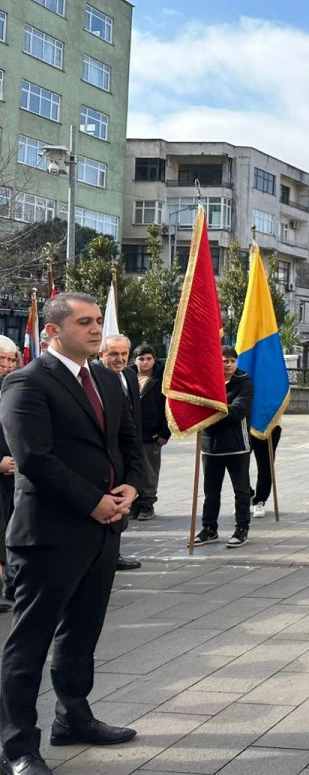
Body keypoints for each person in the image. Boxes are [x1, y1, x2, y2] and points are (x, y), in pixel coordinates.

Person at [0, 292, 145, 775]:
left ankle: (73, 718)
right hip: (49, 534)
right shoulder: (27, 382)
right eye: (84, 322)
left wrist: (131, 486)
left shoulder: (106, 377)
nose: (95, 329)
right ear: (53, 331)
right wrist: (92, 501)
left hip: (102, 532)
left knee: (82, 633)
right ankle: (17, 747)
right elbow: (33, 458)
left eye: (98, 320)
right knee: (29, 643)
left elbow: (127, 440)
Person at [195, 347, 254, 548]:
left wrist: (209, 408)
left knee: (241, 490)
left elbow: (237, 412)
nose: (228, 365)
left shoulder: (245, 383)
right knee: (211, 491)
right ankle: (209, 528)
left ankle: (242, 528)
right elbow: (197, 406)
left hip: (237, 445)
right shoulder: (208, 382)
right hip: (210, 445)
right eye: (224, 361)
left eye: (232, 361)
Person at [98, 335, 143, 572]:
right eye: (114, 354)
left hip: (127, 446)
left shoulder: (129, 375)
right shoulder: (96, 378)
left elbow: (134, 413)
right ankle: (108, 555)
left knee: (123, 500)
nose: (120, 359)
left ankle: (114, 553)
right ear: (101, 355)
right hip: (106, 452)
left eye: (124, 354)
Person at [129, 345, 169, 521]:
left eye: (148, 359)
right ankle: (134, 503)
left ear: (154, 359)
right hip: (130, 432)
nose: (145, 363)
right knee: (130, 469)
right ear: (135, 360)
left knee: (149, 471)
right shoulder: (127, 376)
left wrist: (164, 432)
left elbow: (168, 405)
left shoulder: (162, 378)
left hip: (151, 433)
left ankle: (147, 503)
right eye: (141, 359)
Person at [0, 336, 19, 611]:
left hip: (14, 478)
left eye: (10, 359)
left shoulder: (15, 388)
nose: (6, 365)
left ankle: (12, 584)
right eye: (1, 359)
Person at [250, 425, 281, 518]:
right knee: (239, 465)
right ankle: (245, 496)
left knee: (265, 466)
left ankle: (260, 500)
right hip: (243, 425)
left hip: (267, 425)